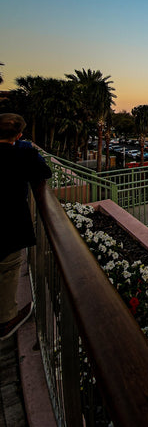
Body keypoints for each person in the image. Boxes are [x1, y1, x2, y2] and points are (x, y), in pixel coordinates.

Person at [0, 113, 52, 340]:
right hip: (8, 224)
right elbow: (44, 172)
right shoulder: (23, 153)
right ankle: (6, 320)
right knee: (8, 268)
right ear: (19, 134)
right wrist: (27, 148)